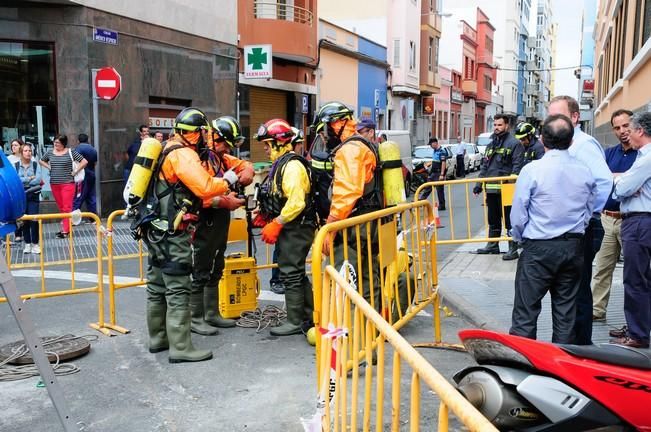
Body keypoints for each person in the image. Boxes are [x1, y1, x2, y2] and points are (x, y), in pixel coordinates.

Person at [139, 107, 235, 363]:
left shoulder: (165, 149)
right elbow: (205, 187)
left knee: (157, 286)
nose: (206, 136)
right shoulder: (183, 155)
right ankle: (181, 347)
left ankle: (158, 338)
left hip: (156, 230)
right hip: (174, 232)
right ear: (196, 133)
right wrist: (228, 180)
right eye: (204, 132)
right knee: (178, 287)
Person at [509, 114, 596, 343]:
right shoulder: (585, 171)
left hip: (538, 248)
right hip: (572, 247)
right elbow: (589, 210)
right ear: (571, 141)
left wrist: (519, 238)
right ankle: (560, 370)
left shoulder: (532, 170)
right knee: (566, 315)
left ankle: (522, 368)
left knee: (525, 314)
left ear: (542, 139)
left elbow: (518, 213)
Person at [547, 95, 612, 345]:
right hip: (570, 229)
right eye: (551, 115)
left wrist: (584, 216)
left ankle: (582, 347)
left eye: (559, 115)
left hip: (583, 228)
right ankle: (573, 345)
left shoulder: (584, 145)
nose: (554, 120)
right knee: (569, 289)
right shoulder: (562, 144)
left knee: (578, 290)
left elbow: (604, 183)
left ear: (575, 117)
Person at [314, 102, 382, 310]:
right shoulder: (363, 145)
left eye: (324, 132)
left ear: (335, 125)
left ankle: (344, 329)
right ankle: (369, 326)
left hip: (354, 224)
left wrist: (330, 229)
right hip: (369, 220)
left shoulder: (350, 149)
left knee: (344, 273)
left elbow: (346, 193)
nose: (324, 139)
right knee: (368, 274)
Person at [189, 115, 253, 336]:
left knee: (216, 264)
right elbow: (200, 195)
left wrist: (247, 173)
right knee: (199, 268)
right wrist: (226, 201)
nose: (227, 149)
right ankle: (195, 318)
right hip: (201, 222)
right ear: (214, 137)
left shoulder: (220, 158)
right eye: (225, 143)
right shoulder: (197, 159)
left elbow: (244, 165)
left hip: (218, 221)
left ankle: (212, 312)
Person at [255, 118, 316, 335]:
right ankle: (308, 316)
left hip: (296, 227)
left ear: (280, 142)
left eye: (267, 143)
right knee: (295, 272)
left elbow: (297, 202)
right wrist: (267, 215)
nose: (264, 148)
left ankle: (295, 320)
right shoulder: (282, 164)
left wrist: (277, 222)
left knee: (291, 273)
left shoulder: (291, 167)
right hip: (292, 226)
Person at [609, 111, 651, 349]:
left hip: (639, 221)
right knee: (643, 278)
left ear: (640, 131)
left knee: (635, 279)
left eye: (630, 129)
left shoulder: (646, 157)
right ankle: (639, 327)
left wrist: (619, 182)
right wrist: (624, 183)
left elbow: (623, 188)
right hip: (642, 220)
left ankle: (637, 334)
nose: (626, 134)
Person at [592, 109, 637, 321]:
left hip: (632, 220)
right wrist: (622, 177)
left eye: (626, 126)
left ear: (635, 125)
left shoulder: (644, 153)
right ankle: (597, 311)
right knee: (602, 269)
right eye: (617, 128)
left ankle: (634, 319)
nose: (622, 131)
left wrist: (614, 177)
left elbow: (635, 183)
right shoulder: (609, 154)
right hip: (607, 218)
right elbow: (598, 178)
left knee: (635, 274)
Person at [473, 114, 521, 258]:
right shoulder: (491, 144)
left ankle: (513, 248)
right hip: (491, 189)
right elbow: (485, 167)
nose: (496, 128)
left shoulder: (514, 144)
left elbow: (517, 167)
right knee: (493, 219)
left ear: (507, 126)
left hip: (507, 189)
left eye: (500, 125)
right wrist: (478, 185)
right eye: (495, 125)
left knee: (509, 220)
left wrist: (511, 184)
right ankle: (493, 245)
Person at [39, 134, 88, 238]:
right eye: (55, 142)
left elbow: (84, 161)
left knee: (67, 207)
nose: (55, 144)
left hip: (68, 184)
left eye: (58, 142)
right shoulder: (50, 152)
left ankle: (66, 230)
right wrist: (49, 167)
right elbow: (41, 160)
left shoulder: (70, 152)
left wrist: (75, 171)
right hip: (54, 184)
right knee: (62, 207)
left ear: (63, 143)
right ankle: (66, 228)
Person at [15, 143, 43, 254]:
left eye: (30, 151)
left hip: (33, 195)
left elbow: (38, 180)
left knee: (34, 219)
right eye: (26, 151)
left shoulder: (36, 165)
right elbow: (17, 180)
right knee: (24, 220)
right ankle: (27, 244)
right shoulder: (16, 165)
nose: (28, 153)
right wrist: (29, 178)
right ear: (21, 153)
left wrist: (25, 180)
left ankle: (35, 244)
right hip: (21, 196)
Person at [72, 133, 98, 216]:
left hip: (81, 176)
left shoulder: (77, 149)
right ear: (88, 139)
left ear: (78, 140)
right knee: (91, 196)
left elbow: (75, 163)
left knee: (78, 196)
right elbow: (95, 163)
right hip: (92, 174)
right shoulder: (93, 149)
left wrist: (74, 172)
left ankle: (74, 219)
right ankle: (93, 218)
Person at [419, 137, 447, 210]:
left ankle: (442, 205)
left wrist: (442, 174)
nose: (430, 146)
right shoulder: (435, 151)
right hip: (433, 173)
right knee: (427, 187)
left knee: (439, 190)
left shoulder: (442, 151)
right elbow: (435, 161)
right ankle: (420, 201)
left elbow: (443, 163)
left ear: (435, 143)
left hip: (438, 173)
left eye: (431, 144)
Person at [9, 139, 25, 241]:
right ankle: (17, 233)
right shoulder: (9, 159)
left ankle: (24, 232)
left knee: (24, 210)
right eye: (12, 145)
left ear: (21, 146)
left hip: (25, 187)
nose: (13, 147)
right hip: (13, 187)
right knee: (16, 211)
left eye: (16, 145)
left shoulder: (26, 157)